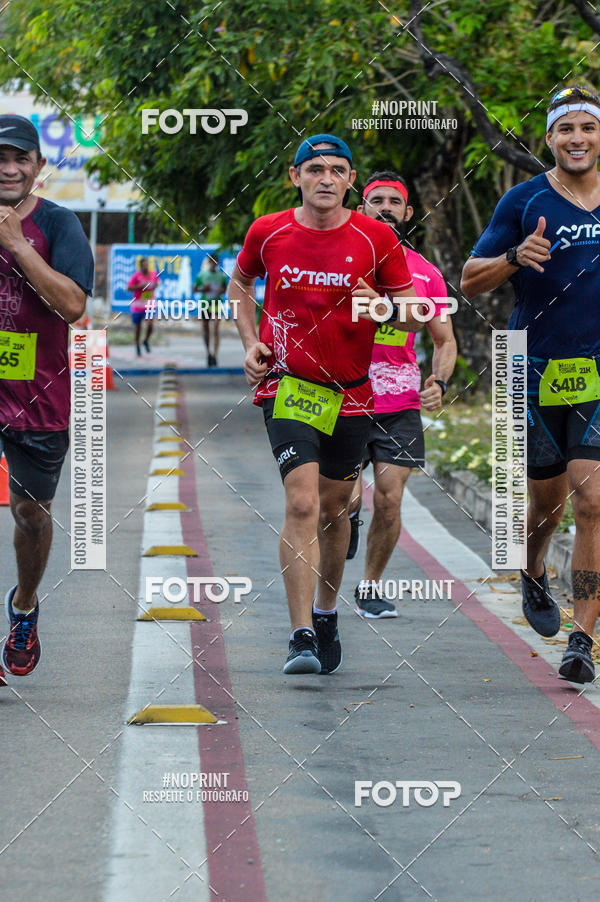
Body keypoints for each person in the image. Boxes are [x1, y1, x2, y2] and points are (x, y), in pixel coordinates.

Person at [229, 133, 423, 675]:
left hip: (354, 393)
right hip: (289, 386)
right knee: (302, 503)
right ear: (295, 177)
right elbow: (240, 284)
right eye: (314, 169)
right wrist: (250, 341)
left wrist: (382, 308)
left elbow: (415, 313)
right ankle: (299, 636)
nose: (326, 178)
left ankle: (327, 610)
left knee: (338, 508)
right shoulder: (268, 231)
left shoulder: (375, 237)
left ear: (350, 181)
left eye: (337, 170)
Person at [461, 85, 600, 683]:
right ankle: (533, 569)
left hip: (599, 368)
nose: (577, 139)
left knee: (593, 501)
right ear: (548, 138)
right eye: (565, 129)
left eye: (587, 128)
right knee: (547, 504)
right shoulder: (523, 200)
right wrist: (516, 257)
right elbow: (469, 281)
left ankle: (583, 639)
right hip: (530, 364)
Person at [0, 115, 94, 684]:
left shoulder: (59, 224)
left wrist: (16, 245)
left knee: (31, 514)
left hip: (38, 395)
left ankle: (25, 606)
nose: (8, 169)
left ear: (36, 166)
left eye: (19, 159)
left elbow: (72, 306)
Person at [347, 172, 457, 618]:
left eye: (395, 201)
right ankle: (344, 521)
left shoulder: (426, 273)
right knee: (345, 499)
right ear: (361, 208)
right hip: (345, 398)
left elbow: (445, 340)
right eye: (377, 200)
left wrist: (439, 383)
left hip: (399, 405)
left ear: (408, 213)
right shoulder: (341, 263)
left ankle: (369, 588)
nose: (386, 207)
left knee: (390, 498)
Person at [194, 254, 228, 367]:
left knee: (216, 327)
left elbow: (224, 289)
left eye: (216, 262)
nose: (214, 264)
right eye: (212, 262)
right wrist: (204, 289)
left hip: (216, 304)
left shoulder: (221, 276)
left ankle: (215, 354)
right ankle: (208, 352)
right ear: (209, 262)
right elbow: (195, 289)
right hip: (204, 304)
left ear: (218, 263)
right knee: (206, 329)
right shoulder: (202, 275)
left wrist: (220, 291)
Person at [127, 257, 158, 356]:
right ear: (140, 266)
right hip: (138, 303)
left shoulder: (153, 274)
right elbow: (128, 288)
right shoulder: (136, 276)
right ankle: (137, 345)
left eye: (147, 264)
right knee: (138, 326)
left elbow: (156, 284)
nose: (146, 266)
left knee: (150, 323)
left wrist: (153, 286)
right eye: (143, 265)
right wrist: (140, 286)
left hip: (150, 302)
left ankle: (146, 340)